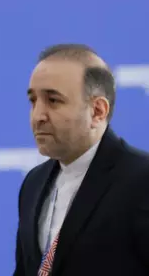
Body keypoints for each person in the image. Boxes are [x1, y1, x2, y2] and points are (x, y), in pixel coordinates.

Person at [14, 44, 149, 275]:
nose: (38, 116)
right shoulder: (33, 182)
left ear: (98, 111)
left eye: (53, 100)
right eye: (33, 101)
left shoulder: (142, 180)